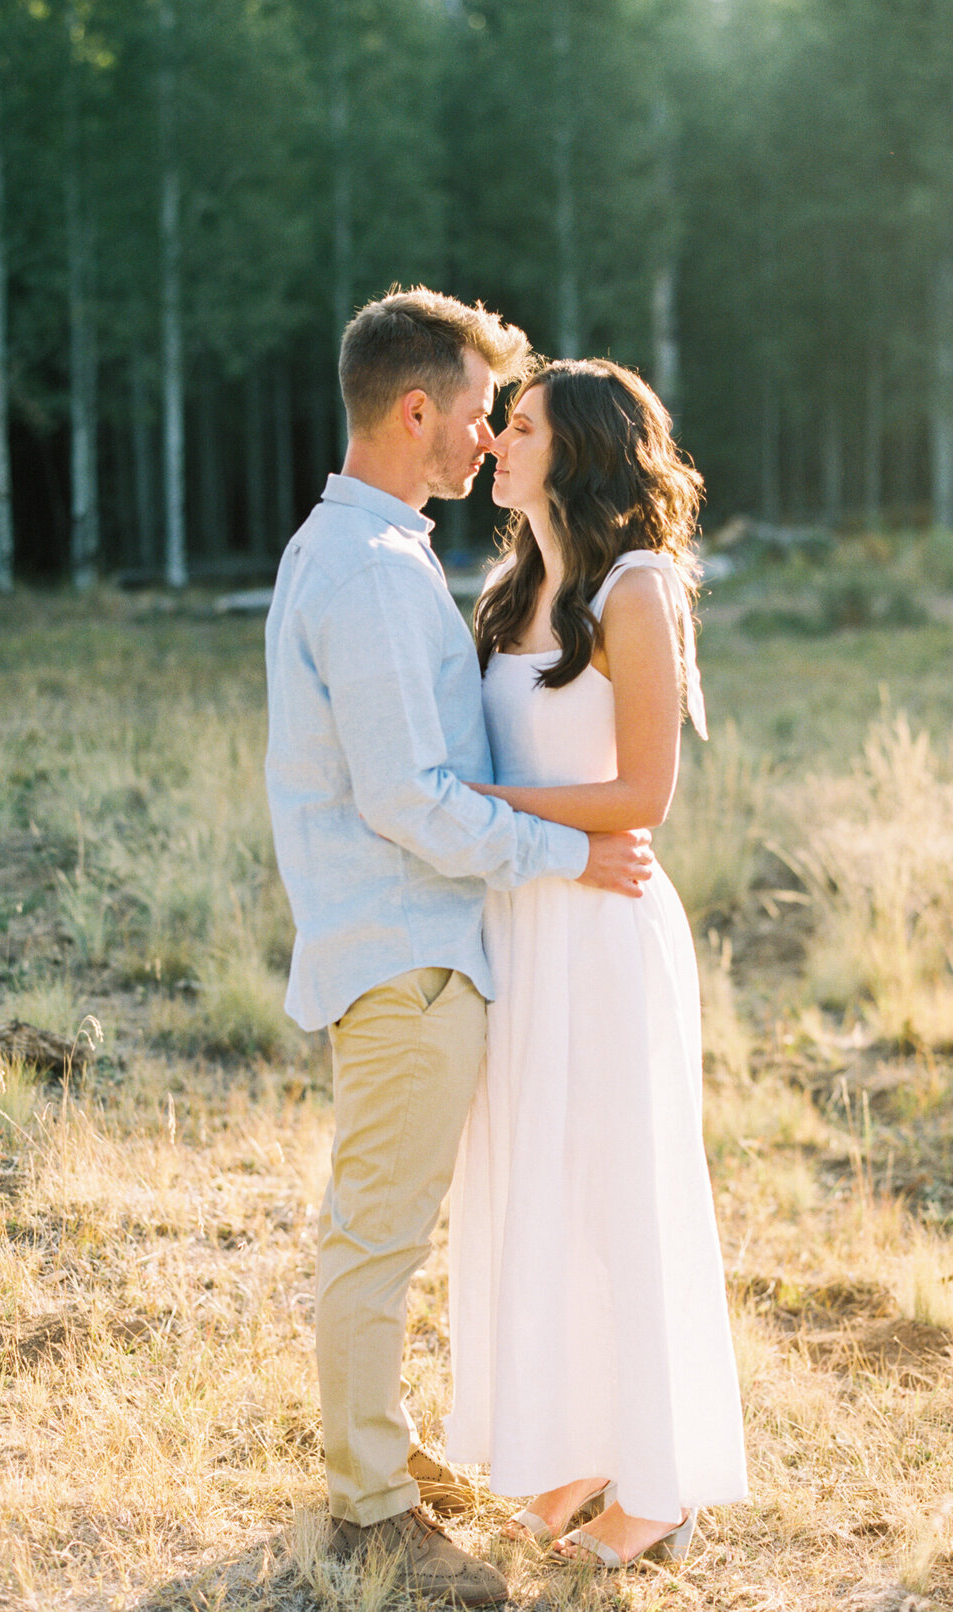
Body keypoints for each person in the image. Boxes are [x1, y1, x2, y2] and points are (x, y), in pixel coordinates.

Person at [263, 289, 653, 1607]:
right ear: (418, 410)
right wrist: (571, 853)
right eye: (481, 411)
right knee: (375, 1239)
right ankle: (374, 1505)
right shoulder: (372, 574)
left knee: (380, 1229)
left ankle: (389, 1457)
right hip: (409, 956)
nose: (489, 438)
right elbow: (410, 799)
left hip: (417, 950)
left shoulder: (367, 553)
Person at [445, 358, 749, 1569]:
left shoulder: (638, 586)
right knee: (541, 1190)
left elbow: (643, 798)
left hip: (606, 924)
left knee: (623, 1195)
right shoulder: (513, 584)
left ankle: (659, 1486)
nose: (498, 441)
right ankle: (571, 1452)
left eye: (519, 426)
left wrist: (472, 801)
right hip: (524, 924)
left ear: (576, 450)